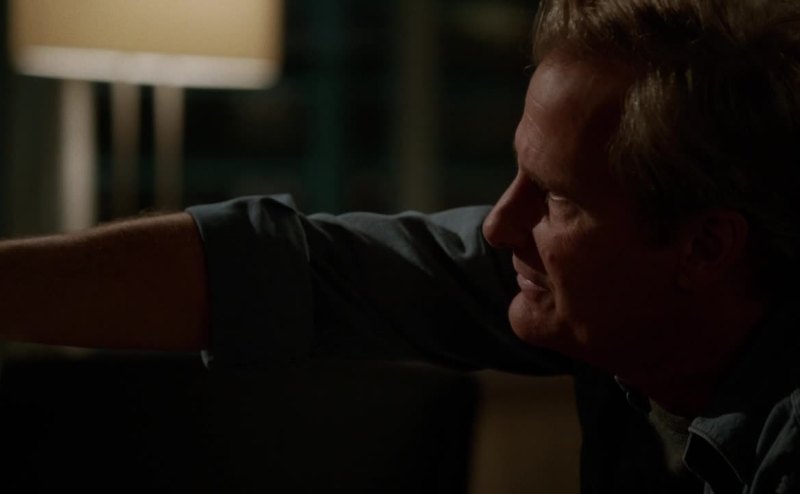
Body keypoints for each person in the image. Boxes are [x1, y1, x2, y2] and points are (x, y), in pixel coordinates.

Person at [1, 0, 799, 491]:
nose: (499, 227)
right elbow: (284, 268)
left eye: (557, 199)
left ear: (705, 248)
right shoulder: (592, 290)